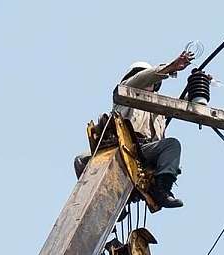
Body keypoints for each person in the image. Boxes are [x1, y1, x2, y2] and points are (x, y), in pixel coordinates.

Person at [75, 51, 196, 208]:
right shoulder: (126, 91)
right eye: (140, 75)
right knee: (82, 160)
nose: (145, 80)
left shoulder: (158, 107)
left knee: (172, 145)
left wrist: (198, 86)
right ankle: (103, 200)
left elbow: (182, 106)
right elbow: (143, 77)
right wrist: (171, 67)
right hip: (123, 146)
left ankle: (162, 190)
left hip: (145, 153)